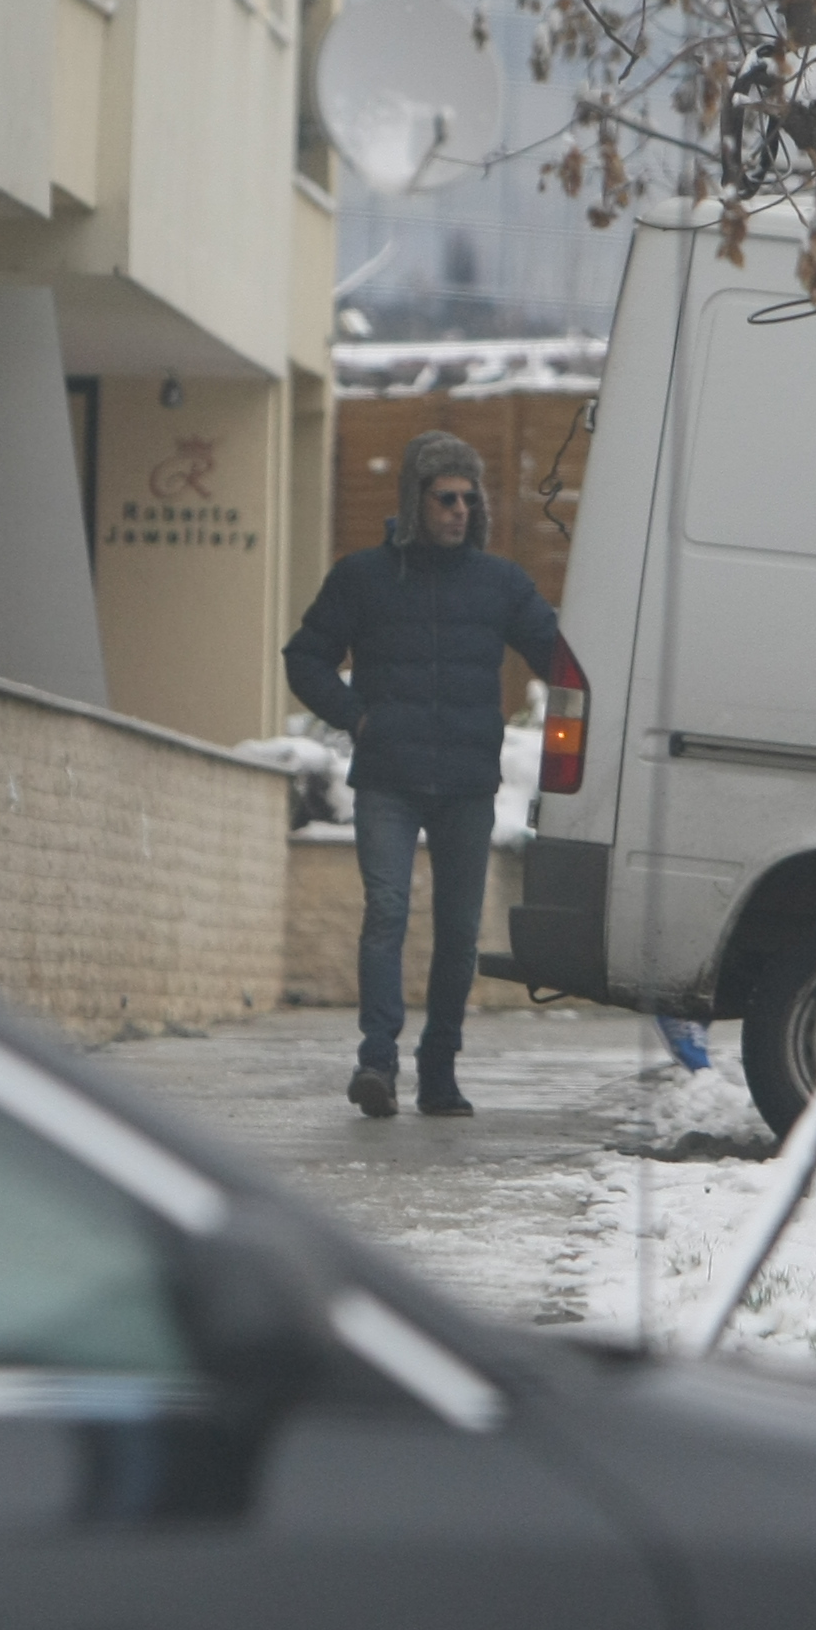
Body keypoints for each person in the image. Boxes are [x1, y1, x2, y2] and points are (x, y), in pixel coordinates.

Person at [283, 432, 560, 1120]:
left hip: (467, 781)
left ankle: (440, 1068)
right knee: (387, 912)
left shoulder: (501, 584)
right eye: (445, 498)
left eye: (469, 498)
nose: (459, 510)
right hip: (388, 779)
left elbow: (561, 659)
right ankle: (377, 1060)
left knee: (460, 931)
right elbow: (305, 657)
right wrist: (358, 716)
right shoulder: (364, 577)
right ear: (416, 500)